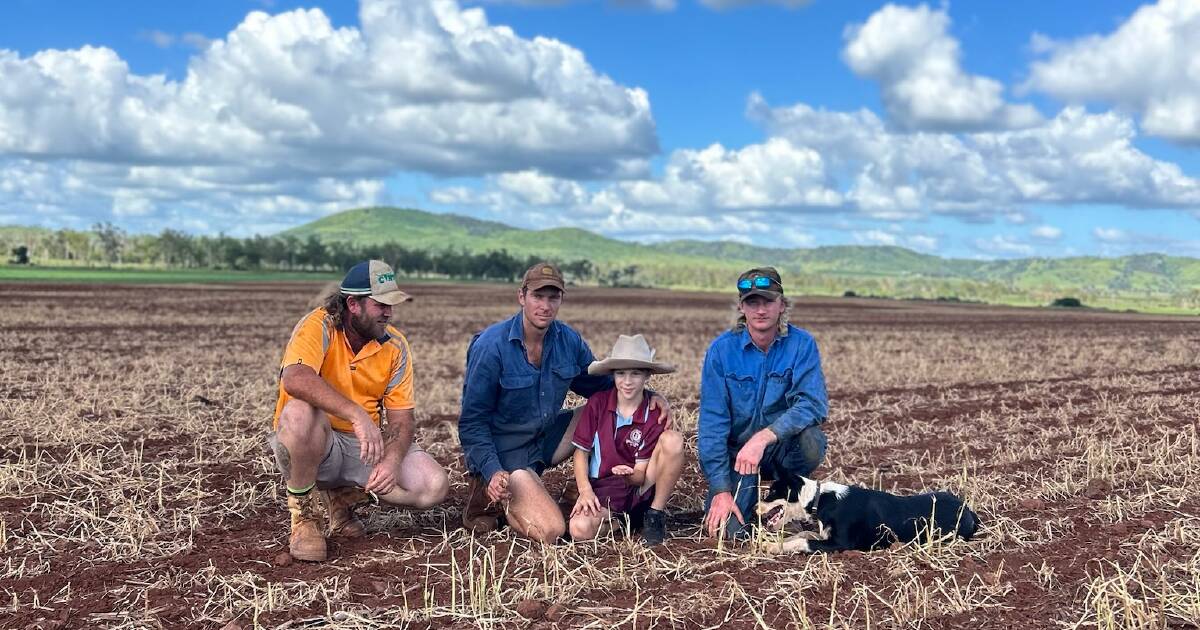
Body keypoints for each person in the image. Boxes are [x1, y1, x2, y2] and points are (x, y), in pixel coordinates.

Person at [457, 262, 670, 543]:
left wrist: (652, 396)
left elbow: (605, 388)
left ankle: (599, 489)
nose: (545, 305)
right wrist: (493, 469)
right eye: (537, 296)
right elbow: (472, 423)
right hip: (505, 455)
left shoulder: (568, 341)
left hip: (542, 440)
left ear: (561, 300)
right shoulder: (491, 347)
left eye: (552, 297)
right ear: (521, 296)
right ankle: (491, 493)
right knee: (552, 530)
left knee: (598, 410)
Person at [270, 260, 450, 562]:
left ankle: (343, 499)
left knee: (433, 486)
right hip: (318, 442)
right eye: (381, 305)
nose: (389, 313)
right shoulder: (319, 325)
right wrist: (356, 414)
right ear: (353, 304)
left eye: (391, 305)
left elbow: (402, 419)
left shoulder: (395, 346)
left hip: (360, 446)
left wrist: (392, 462)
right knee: (299, 413)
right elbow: (295, 378)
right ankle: (304, 517)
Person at [698, 267, 829, 540]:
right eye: (752, 302)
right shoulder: (721, 351)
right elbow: (712, 424)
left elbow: (812, 404)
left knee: (812, 440)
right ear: (741, 307)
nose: (760, 310)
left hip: (778, 450)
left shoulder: (801, 344)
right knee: (729, 534)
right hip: (739, 459)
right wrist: (721, 489)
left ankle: (784, 495)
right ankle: (737, 499)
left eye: (768, 301)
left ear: (781, 305)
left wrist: (762, 439)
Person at [568, 334, 684, 546]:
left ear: (647, 375)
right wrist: (584, 491)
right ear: (612, 375)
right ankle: (619, 523)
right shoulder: (597, 403)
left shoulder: (653, 412)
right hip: (603, 488)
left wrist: (629, 476)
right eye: (621, 373)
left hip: (639, 488)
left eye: (636, 373)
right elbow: (580, 452)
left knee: (673, 440)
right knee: (578, 529)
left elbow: (640, 476)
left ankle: (654, 514)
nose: (627, 381)